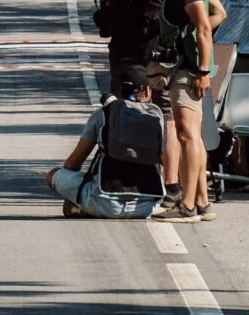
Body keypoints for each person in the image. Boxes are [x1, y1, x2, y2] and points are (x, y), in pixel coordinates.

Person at [148, 0, 224, 223]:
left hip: (187, 70)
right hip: (193, 66)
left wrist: (202, 66)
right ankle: (202, 202)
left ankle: (188, 205)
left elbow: (206, 23)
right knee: (194, 137)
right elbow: (219, 13)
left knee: (186, 135)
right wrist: (191, 33)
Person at [47, 71, 165, 218]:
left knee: (53, 175)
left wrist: (76, 187)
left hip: (107, 203)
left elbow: (74, 163)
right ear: (148, 91)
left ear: (116, 88)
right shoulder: (157, 118)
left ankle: (88, 207)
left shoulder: (103, 114)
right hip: (146, 206)